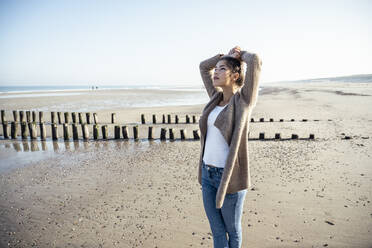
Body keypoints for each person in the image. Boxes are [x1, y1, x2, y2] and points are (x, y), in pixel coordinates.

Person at [198, 46, 262, 248]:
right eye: (216, 69)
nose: (215, 72)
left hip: (230, 178)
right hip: (207, 175)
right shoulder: (214, 98)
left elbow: (256, 62)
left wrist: (240, 56)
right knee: (217, 232)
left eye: (222, 69)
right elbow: (202, 67)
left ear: (235, 75)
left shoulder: (243, 102)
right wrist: (221, 57)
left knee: (232, 231)